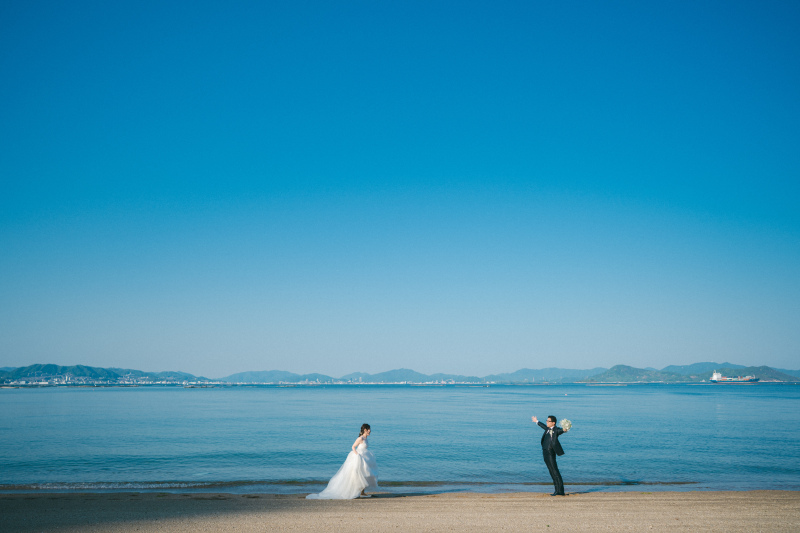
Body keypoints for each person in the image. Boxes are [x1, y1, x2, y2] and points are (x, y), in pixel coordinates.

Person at [306, 423, 378, 499]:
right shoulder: (360, 438)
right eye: (369, 429)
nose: (370, 431)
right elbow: (353, 447)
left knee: (365, 474)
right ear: (365, 430)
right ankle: (355, 491)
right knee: (357, 474)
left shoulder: (366, 438)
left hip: (365, 458)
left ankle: (362, 492)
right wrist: (357, 455)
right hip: (358, 457)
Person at [532, 415, 567, 496]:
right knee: (551, 471)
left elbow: (561, 430)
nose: (547, 422)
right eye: (547, 421)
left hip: (551, 452)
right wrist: (536, 421)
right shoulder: (547, 428)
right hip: (545, 452)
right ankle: (556, 490)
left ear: (553, 423)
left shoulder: (556, 430)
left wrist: (564, 430)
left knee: (555, 471)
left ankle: (560, 491)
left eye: (548, 421)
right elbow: (543, 426)